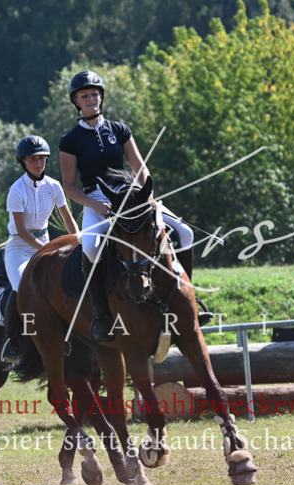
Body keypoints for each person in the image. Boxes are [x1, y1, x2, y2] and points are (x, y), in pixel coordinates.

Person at [59, 69, 209, 342]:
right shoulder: (70, 141)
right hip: (98, 199)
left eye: (95, 93)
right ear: (76, 102)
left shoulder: (119, 129)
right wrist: (94, 205)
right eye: (84, 95)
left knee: (185, 233)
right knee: (91, 248)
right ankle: (102, 314)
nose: (91, 99)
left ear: (101, 97)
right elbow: (69, 186)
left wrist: (146, 195)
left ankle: (189, 299)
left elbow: (140, 166)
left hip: (132, 196)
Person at [0, 135, 78, 363]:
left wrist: (76, 241)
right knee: (21, 284)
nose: (38, 163)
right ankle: (10, 340)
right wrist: (46, 249)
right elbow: (23, 231)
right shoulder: (16, 190)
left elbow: (68, 219)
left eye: (42, 158)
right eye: (33, 159)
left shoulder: (54, 186)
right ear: (23, 161)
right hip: (20, 247)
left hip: (45, 242)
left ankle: (66, 333)